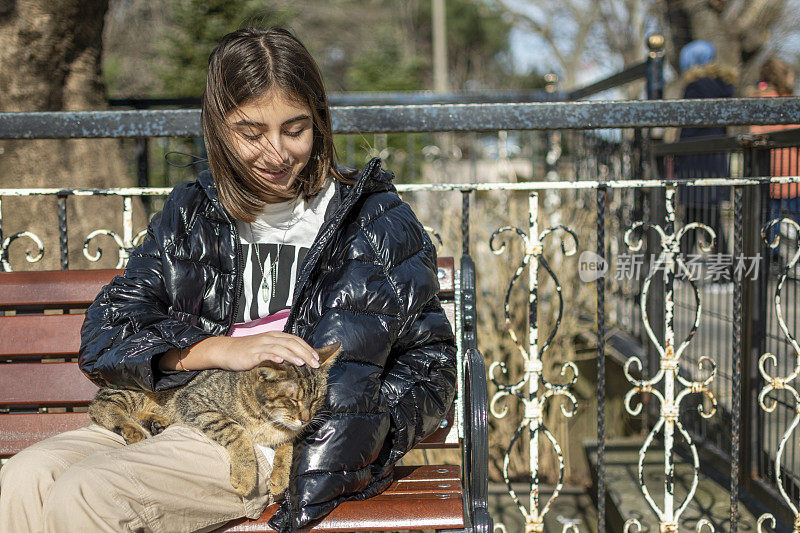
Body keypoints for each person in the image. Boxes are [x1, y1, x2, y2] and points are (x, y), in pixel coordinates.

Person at [0, 26, 456, 533]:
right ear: (219, 130)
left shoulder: (374, 222)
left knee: (89, 495)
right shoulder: (193, 211)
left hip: (268, 437)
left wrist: (346, 436)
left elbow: (431, 366)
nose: (277, 153)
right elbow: (109, 331)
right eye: (251, 133)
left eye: (295, 129)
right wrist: (219, 349)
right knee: (23, 479)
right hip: (171, 412)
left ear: (320, 123)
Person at [675, 40, 738, 282]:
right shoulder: (723, 86)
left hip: (695, 160)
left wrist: (677, 154)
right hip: (715, 159)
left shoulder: (694, 87)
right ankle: (680, 273)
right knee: (699, 219)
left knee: (703, 221)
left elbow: (688, 128)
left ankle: (723, 276)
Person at [748, 57, 799, 244]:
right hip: (790, 167)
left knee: (769, 218)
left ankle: (771, 255)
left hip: (765, 166)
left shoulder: (756, 100)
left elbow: (755, 131)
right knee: (796, 215)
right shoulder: (787, 102)